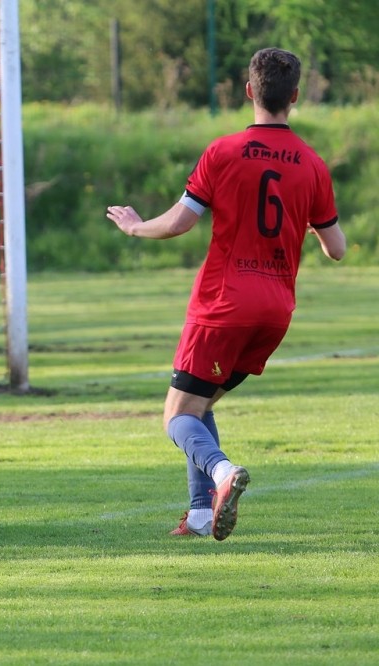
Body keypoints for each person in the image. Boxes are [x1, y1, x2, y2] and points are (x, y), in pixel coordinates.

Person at [106, 48, 346, 541]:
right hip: (275, 312)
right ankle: (199, 516)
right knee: (201, 405)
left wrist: (134, 227)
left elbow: (179, 222)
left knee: (177, 416)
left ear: (249, 90)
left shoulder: (223, 151)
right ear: (295, 96)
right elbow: (337, 249)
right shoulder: (313, 164)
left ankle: (222, 472)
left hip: (223, 305)